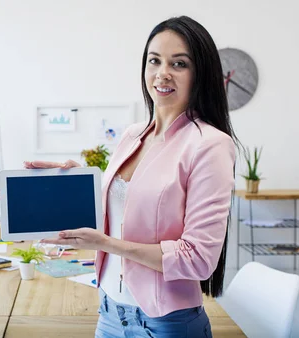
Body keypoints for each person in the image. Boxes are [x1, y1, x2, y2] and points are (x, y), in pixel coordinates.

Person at [28, 16, 237, 338]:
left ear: (200, 74)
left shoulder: (210, 145)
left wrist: (109, 245)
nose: (162, 73)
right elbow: (127, 208)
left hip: (165, 323)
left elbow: (198, 261)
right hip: (110, 311)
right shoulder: (132, 134)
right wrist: (76, 181)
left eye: (179, 63)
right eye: (155, 60)